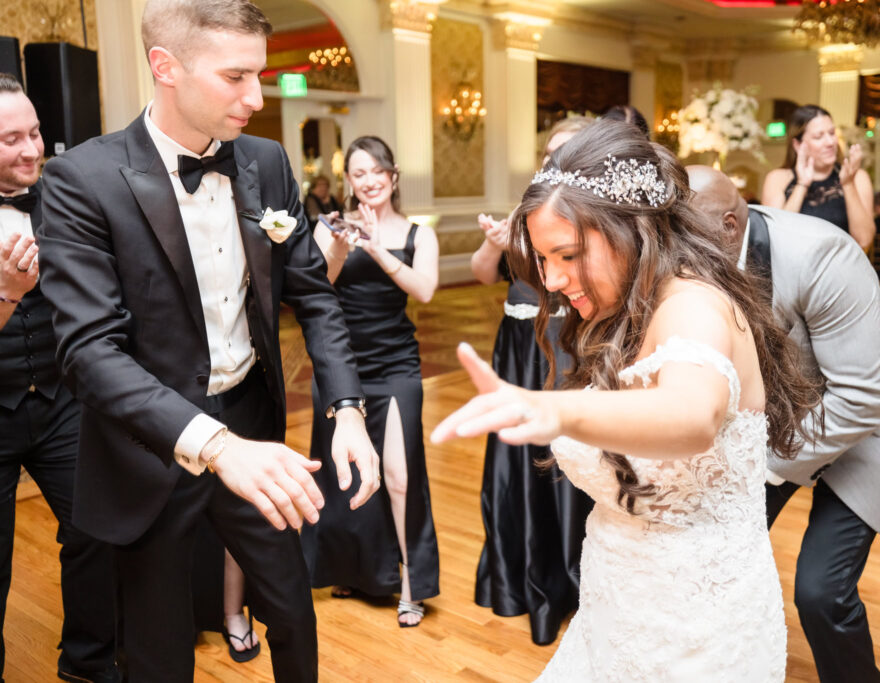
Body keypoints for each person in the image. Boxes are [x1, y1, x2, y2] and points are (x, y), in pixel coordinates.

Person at [35, 2, 380, 680]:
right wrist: (215, 447)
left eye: (260, 75)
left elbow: (313, 294)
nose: (257, 97)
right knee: (159, 650)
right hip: (151, 450)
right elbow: (89, 352)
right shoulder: (83, 181)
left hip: (253, 424)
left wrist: (347, 409)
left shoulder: (267, 161)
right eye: (236, 77)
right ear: (166, 67)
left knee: (292, 612)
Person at [433, 120, 821, 680]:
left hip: (695, 629)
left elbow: (691, 416)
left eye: (567, 255)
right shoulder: (625, 311)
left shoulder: (692, 304)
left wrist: (556, 410)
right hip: (616, 605)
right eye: (543, 259)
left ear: (629, 227)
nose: (553, 278)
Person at [687, 165, 880, 683]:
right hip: (794, 413)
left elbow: (864, 397)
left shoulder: (821, 254)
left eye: (683, 234)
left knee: (820, 591)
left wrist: (767, 467)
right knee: (714, 545)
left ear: (727, 225)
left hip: (878, 420)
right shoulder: (702, 253)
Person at [0, 73, 118, 683]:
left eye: (35, 132)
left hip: (61, 399)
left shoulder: (64, 197)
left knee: (97, 531)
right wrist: (6, 294)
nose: (30, 149)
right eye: (9, 139)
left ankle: (89, 664)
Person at [302, 136, 440, 627]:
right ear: (350, 182)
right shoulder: (331, 227)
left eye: (377, 170)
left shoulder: (419, 234)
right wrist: (342, 245)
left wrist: (379, 251)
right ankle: (355, 571)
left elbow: (424, 290)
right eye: (359, 173)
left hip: (398, 366)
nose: (369, 180)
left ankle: (410, 583)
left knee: (401, 477)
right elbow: (317, 288)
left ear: (394, 175)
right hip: (342, 368)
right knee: (348, 478)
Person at [469, 116, 593, 646]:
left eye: (565, 151)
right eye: (549, 151)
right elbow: (481, 272)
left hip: (567, 346)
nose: (553, 159)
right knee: (514, 463)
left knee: (565, 458)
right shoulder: (529, 208)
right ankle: (520, 576)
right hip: (516, 349)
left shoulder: (594, 217)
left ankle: (573, 581)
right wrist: (498, 243)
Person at [761, 104, 875, 249]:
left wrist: (848, 184)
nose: (830, 142)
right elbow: (776, 238)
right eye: (818, 136)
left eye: (832, 133)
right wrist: (802, 184)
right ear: (797, 145)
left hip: (840, 269)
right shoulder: (777, 179)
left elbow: (864, 240)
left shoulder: (857, 177)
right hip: (794, 270)